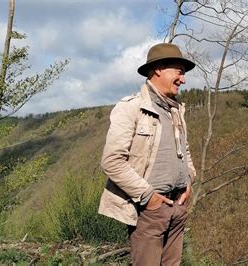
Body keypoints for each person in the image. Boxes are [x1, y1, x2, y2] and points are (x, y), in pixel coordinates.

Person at [98, 43, 197, 265]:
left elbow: (185, 150)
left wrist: (189, 179)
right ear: (159, 69)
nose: (183, 79)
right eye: (179, 72)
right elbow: (112, 161)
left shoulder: (176, 109)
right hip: (149, 211)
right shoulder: (131, 108)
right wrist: (148, 197)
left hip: (178, 207)